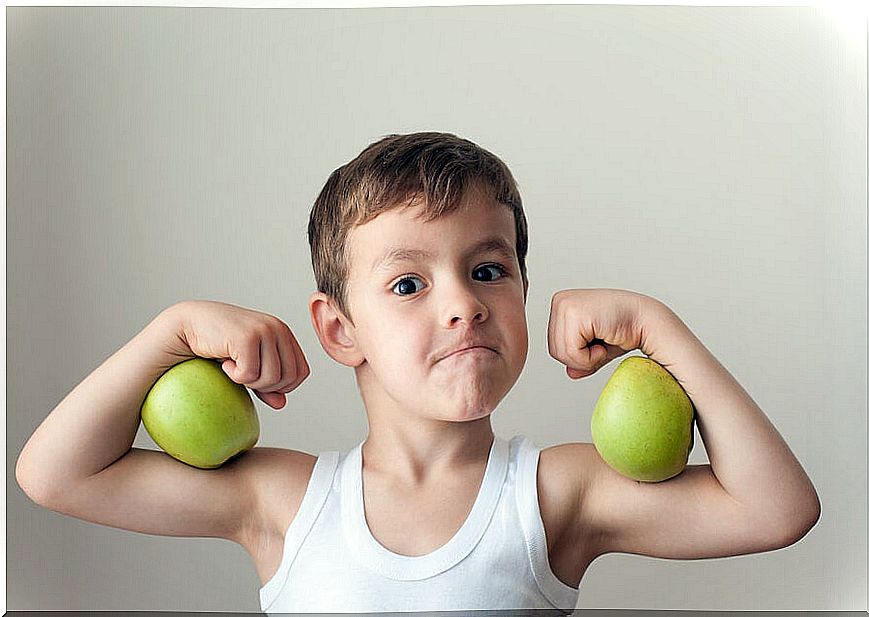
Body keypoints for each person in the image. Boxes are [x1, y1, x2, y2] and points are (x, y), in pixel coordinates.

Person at [16, 132, 821, 615]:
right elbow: (57, 474)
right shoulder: (283, 501)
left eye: (487, 270)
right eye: (408, 283)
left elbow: (775, 509)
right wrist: (170, 331)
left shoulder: (555, 493)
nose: (462, 306)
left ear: (522, 295)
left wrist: (658, 328)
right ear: (338, 328)